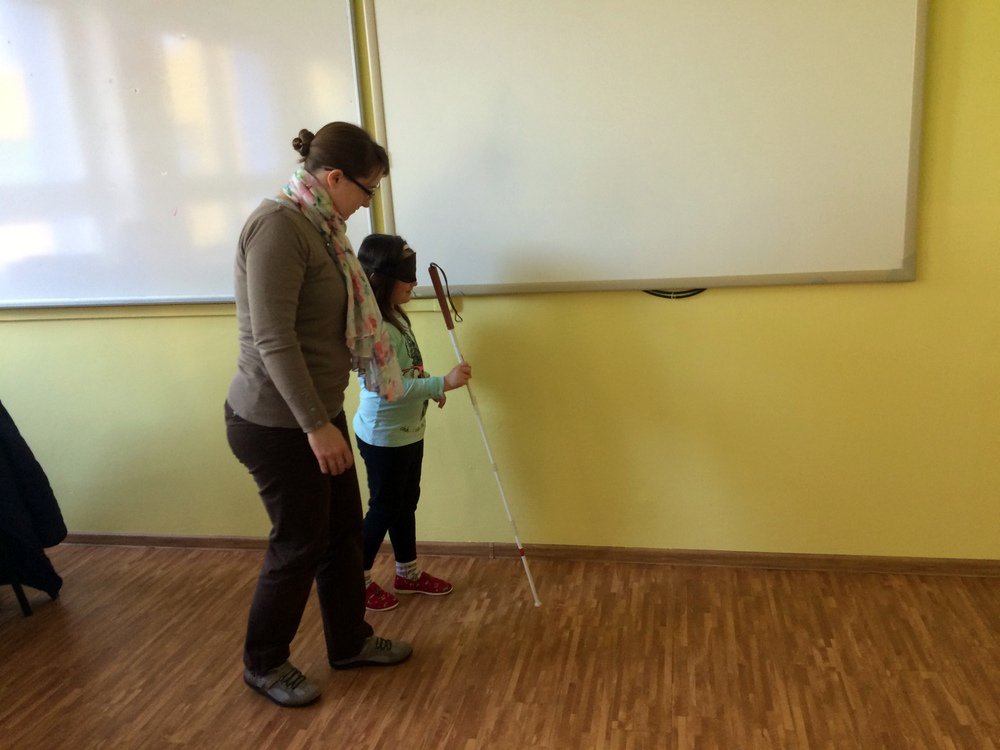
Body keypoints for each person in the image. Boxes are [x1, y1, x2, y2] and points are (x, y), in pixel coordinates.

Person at [225, 122, 412, 708]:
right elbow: (273, 339)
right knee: (299, 544)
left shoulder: (324, 229)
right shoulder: (278, 227)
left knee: (341, 537)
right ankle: (264, 663)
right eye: (366, 189)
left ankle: (349, 642)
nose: (367, 203)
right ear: (333, 178)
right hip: (276, 424)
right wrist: (315, 426)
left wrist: (324, 417)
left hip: (315, 415)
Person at [352, 234, 472, 612]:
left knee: (405, 504)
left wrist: (429, 387)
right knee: (384, 507)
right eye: (406, 274)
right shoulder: (376, 328)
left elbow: (407, 372)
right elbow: (391, 388)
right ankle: (355, 582)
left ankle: (407, 573)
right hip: (384, 436)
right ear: (381, 278)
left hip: (408, 432)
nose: (414, 282)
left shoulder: (396, 317)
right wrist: (442, 384)